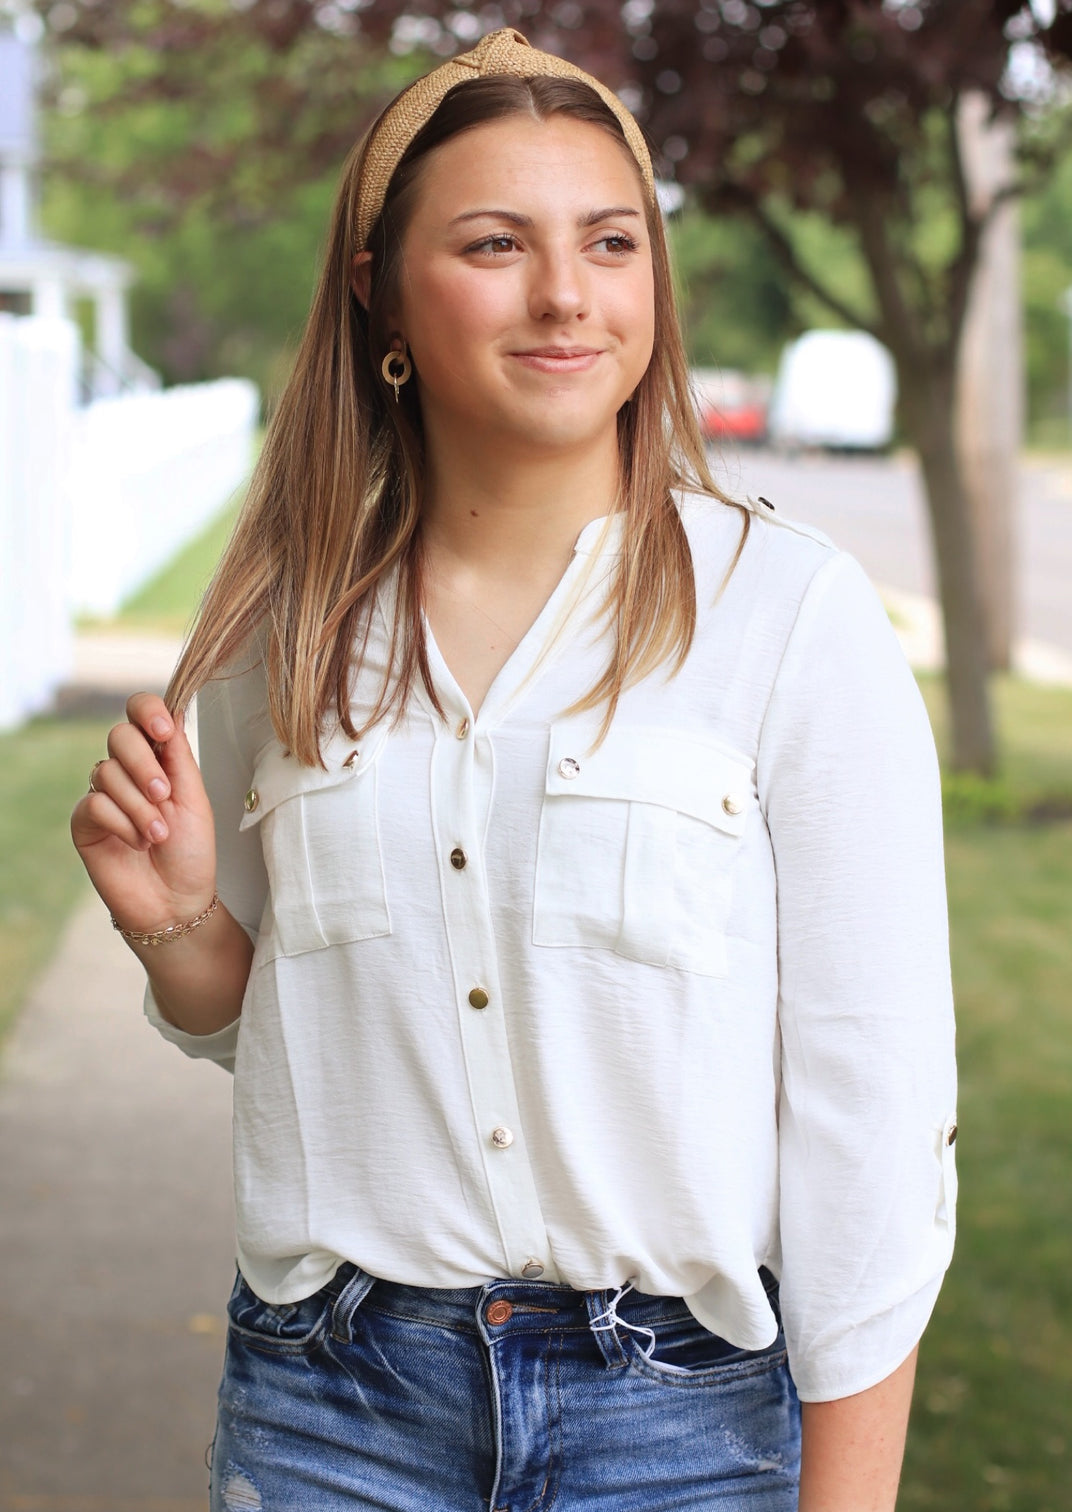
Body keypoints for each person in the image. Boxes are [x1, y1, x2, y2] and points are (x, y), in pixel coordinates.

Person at [70, 28, 957, 1512]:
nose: (567, 295)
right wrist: (177, 930)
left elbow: (874, 1121)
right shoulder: (272, 640)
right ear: (379, 292)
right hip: (328, 1415)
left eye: (612, 242)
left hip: (674, 1431)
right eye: (496, 244)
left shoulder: (787, 618)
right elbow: (263, 1029)